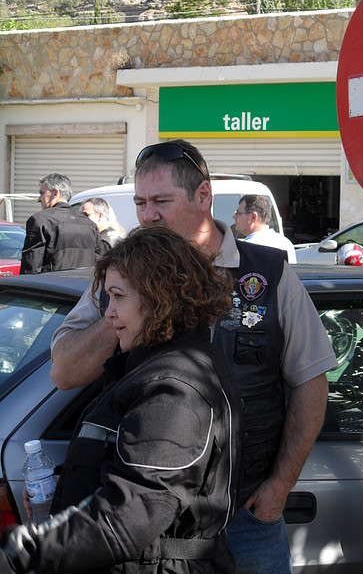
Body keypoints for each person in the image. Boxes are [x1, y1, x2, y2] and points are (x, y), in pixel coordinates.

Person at [49, 140, 338, 574]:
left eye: (161, 201)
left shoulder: (268, 273)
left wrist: (280, 486)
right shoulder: (123, 270)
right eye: (141, 203)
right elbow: (65, 371)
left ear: (203, 196)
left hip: (247, 517)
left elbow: (311, 380)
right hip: (154, 525)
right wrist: (129, 304)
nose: (147, 216)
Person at [1, 224, 241, 574]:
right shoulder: (147, 368)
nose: (108, 313)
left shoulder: (175, 386)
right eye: (107, 298)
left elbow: (137, 508)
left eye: (118, 296)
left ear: (160, 297)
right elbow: (130, 462)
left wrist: (36, 548)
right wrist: (65, 480)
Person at [20, 174, 104, 274]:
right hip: (82, 287)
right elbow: (98, 264)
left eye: (41, 193)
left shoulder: (39, 220)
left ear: (55, 193)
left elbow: (31, 267)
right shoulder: (90, 225)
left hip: (51, 286)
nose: (39, 199)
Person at [233, 194, 297, 263]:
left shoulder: (246, 248)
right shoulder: (286, 243)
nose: (234, 217)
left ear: (253, 217)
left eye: (238, 213)